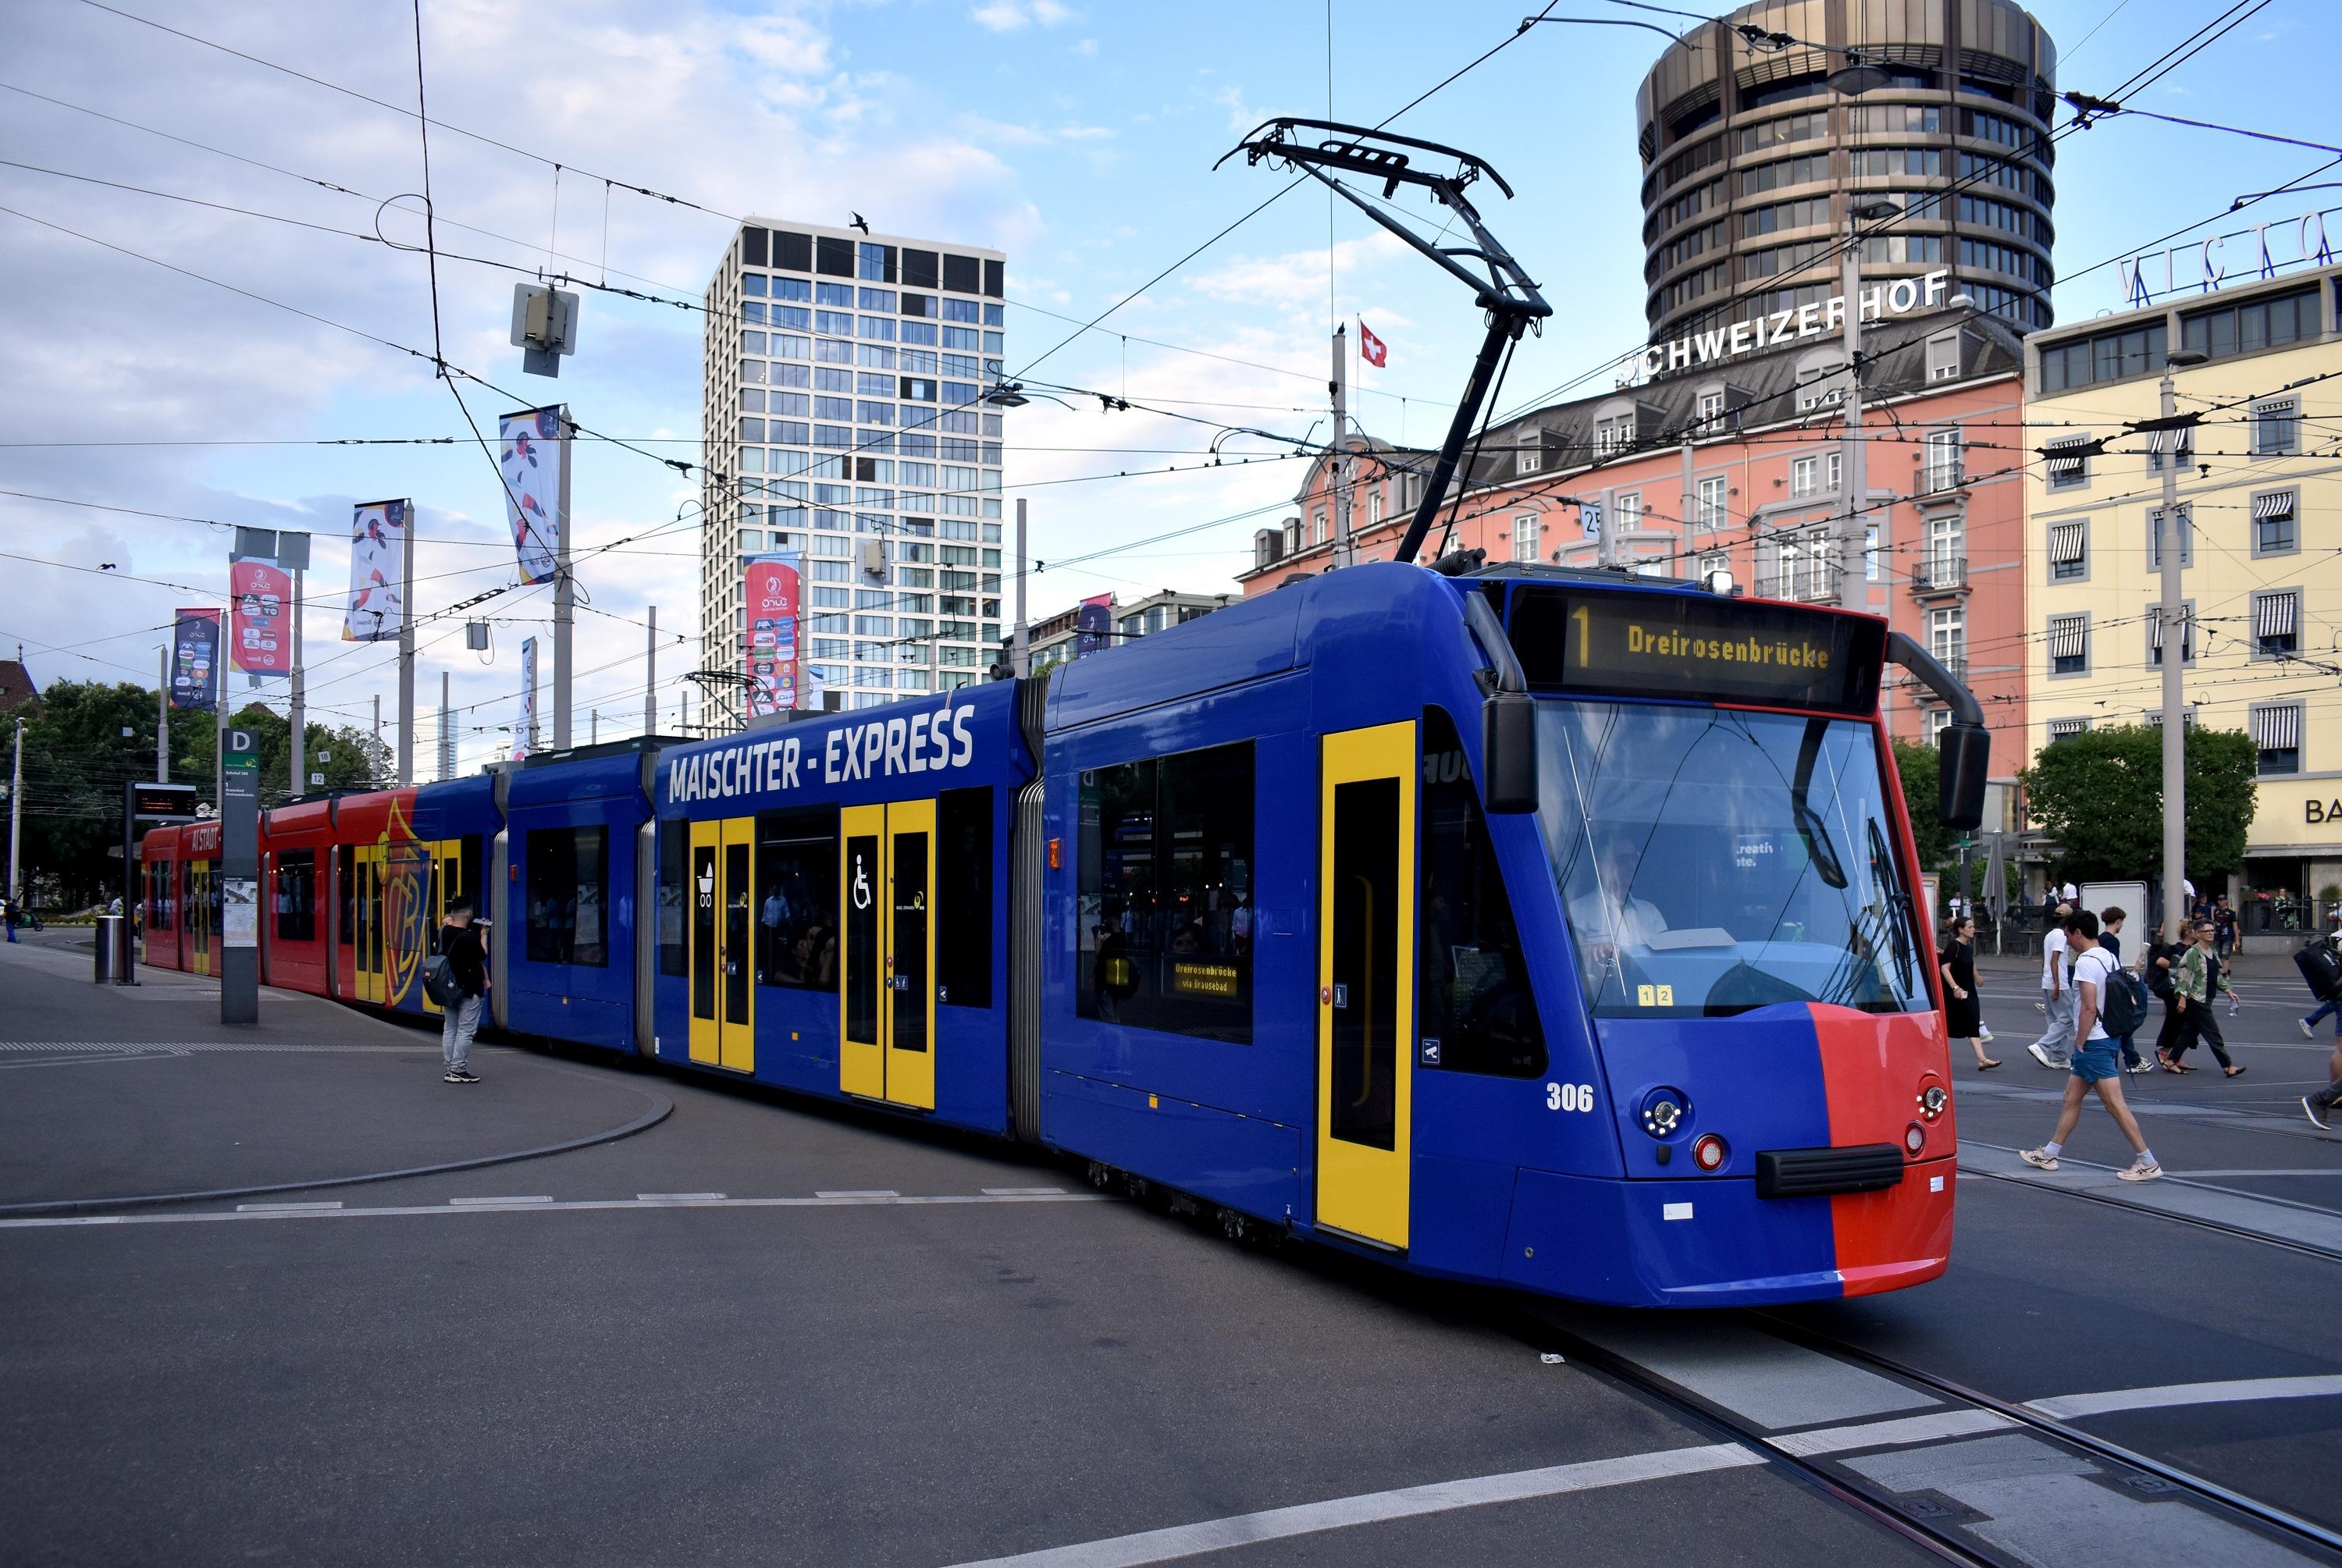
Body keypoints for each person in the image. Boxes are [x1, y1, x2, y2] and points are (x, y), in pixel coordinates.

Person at [2022, 909, 2162, 1182]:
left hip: (2094, 1041)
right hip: (2109, 1035)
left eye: (2067, 936)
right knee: (2071, 1098)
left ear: (2077, 933)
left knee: (2114, 1104)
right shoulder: (2108, 956)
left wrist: (2080, 1042)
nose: (2067, 943)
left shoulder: (2086, 962)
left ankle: (2147, 1161)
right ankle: (2050, 1153)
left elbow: (2088, 1007)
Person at [2166, 919, 2243, 1077]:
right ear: (2197, 934)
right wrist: (2182, 997)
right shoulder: (2193, 953)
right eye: (2206, 931)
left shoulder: (2212, 952)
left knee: (2189, 1032)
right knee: (2213, 1033)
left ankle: (2170, 1060)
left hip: (2207, 997)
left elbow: (2218, 975)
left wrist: (2228, 990)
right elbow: (2184, 975)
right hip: (2196, 999)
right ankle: (2227, 1066)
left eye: (2212, 930)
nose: (2210, 933)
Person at [436, 897, 490, 1085]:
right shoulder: (469, 937)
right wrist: (484, 935)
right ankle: (458, 1069)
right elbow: (481, 956)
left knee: (450, 1029)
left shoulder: (443, 931)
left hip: (448, 989)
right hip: (468, 990)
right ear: (468, 914)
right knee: (465, 1031)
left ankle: (450, 1066)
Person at [2094, 906, 2148, 1074]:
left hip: (2101, 985)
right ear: (2118, 921)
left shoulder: (2099, 939)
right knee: (2121, 1023)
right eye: (2121, 922)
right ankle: (2132, 1059)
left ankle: (2132, 1058)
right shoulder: (2113, 941)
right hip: (2112, 987)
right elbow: (2113, 964)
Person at [1940, 916, 1996, 1069]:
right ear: (1960, 930)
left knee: (1972, 1022)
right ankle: (1937, 1057)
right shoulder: (1954, 946)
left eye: (1973, 927)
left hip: (1969, 990)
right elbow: (1944, 968)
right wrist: (1955, 988)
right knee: (1949, 1025)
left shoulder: (1968, 947)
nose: (1973, 929)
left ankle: (1981, 1059)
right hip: (1955, 993)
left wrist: (1976, 976)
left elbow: (1971, 963)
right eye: (1970, 927)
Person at [2027, 903, 2074, 1069]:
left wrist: (2046, 981)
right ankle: (2042, 1045)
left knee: (2055, 1019)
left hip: (2048, 981)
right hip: (2058, 982)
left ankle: (2059, 1056)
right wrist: (2057, 984)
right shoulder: (2062, 936)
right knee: (2068, 1018)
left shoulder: (2050, 935)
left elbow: (2046, 961)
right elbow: (2055, 960)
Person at [2299, 914, 2342, 1040]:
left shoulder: (2337, 935)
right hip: (2336, 975)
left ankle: (2309, 1021)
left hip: (2334, 974)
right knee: (2339, 1003)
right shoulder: (2338, 936)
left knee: (2337, 1003)